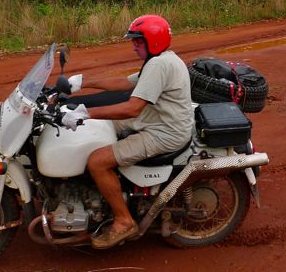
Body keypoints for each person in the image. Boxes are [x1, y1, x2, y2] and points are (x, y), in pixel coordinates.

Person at [62, 14, 193, 249]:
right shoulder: (161, 60)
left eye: (138, 41)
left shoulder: (159, 64)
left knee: (97, 161)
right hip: (155, 121)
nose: (133, 45)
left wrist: (85, 113)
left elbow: (131, 109)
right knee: (95, 128)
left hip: (164, 132)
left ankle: (124, 221)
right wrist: (82, 83)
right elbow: (124, 83)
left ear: (153, 41)